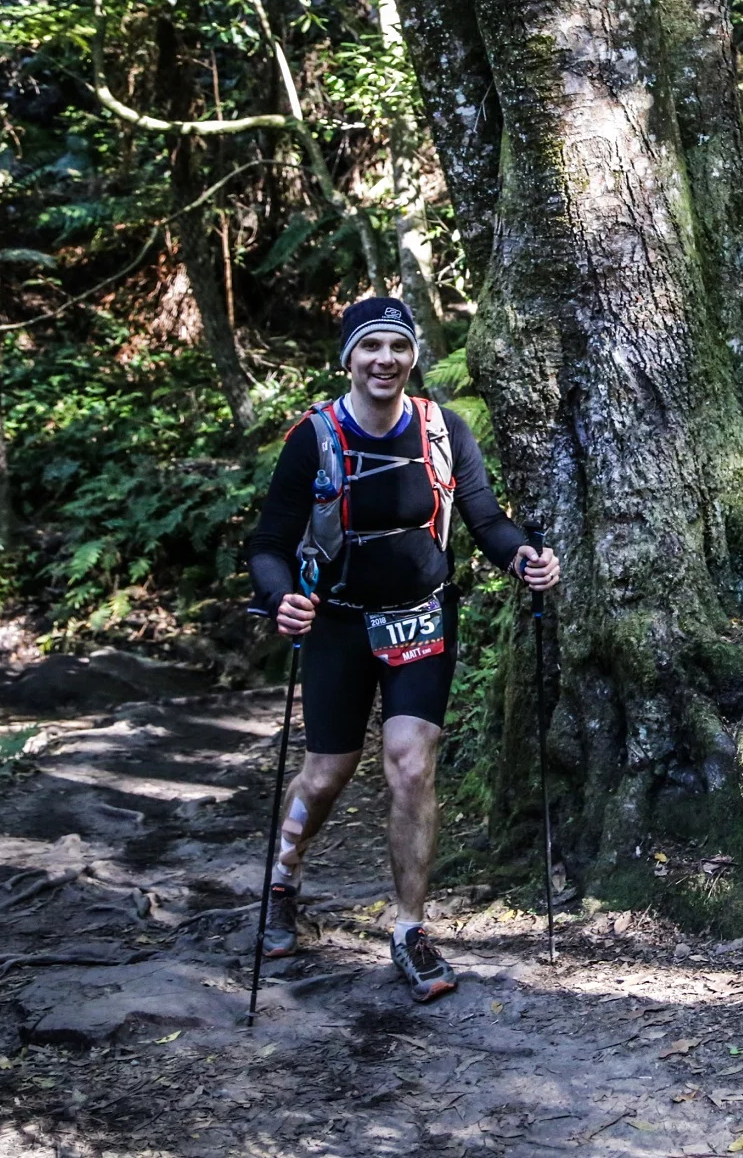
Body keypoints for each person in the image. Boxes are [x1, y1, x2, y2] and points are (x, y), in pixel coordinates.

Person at [247, 296, 559, 1003]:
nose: (384, 359)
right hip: (338, 623)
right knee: (327, 773)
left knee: (411, 763)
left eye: (397, 346)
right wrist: (280, 599)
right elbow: (268, 545)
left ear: (413, 354)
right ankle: (282, 879)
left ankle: (410, 931)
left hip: (421, 619)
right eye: (370, 347)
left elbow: (483, 516)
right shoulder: (315, 437)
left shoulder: (442, 429)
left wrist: (524, 559)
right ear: (347, 359)